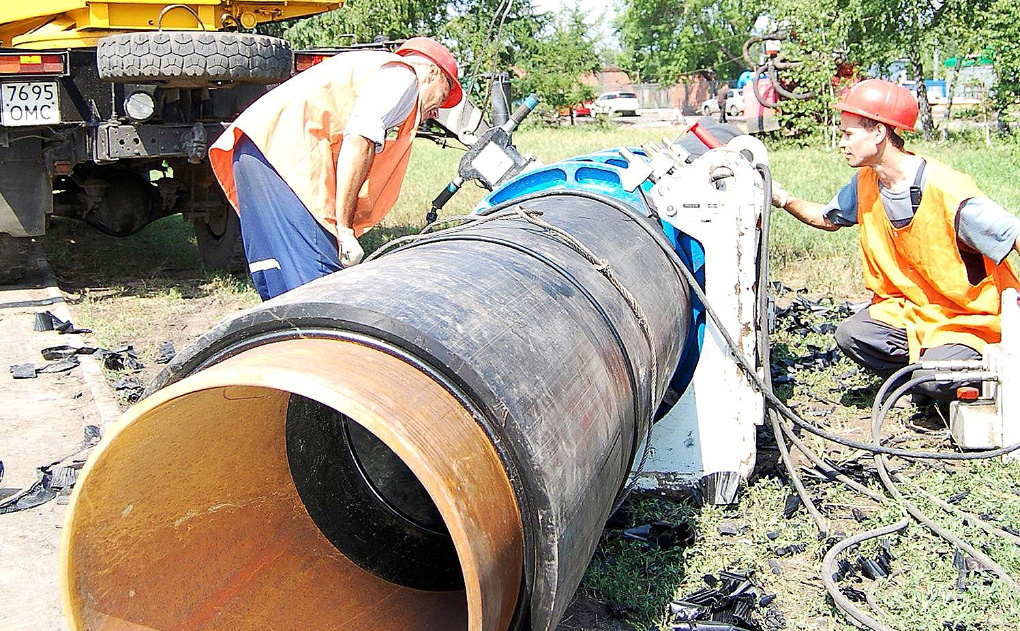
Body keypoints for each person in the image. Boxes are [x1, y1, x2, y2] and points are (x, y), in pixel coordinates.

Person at [770, 79, 1020, 401]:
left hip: (970, 321)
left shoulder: (948, 191)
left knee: (932, 380)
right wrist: (782, 198)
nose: (841, 144)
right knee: (853, 335)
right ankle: (925, 378)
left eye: (848, 134)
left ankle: (957, 374)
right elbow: (827, 219)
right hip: (914, 313)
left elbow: (1013, 235)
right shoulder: (866, 182)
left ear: (878, 133)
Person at [209, 37, 462, 301]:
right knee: (320, 293)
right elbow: (359, 137)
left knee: (279, 286)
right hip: (286, 161)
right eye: (443, 96)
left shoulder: (374, 70)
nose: (437, 111)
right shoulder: (403, 75)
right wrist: (344, 230)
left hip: (256, 153)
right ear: (432, 71)